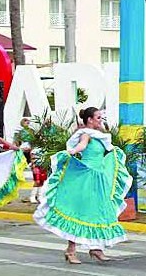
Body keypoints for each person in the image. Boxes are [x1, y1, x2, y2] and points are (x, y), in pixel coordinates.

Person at [33, 107, 131, 264]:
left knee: (98, 211)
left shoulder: (99, 135)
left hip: (99, 178)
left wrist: (99, 126)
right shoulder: (86, 134)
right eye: (98, 117)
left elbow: (106, 144)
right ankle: (71, 250)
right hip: (87, 177)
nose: (101, 120)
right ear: (89, 120)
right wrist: (73, 151)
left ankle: (96, 248)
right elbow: (82, 146)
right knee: (79, 211)